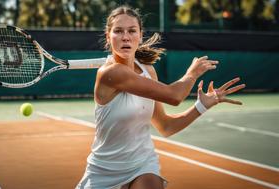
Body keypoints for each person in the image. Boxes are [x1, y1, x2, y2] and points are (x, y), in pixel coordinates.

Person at [76, 5, 245, 189]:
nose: (125, 36)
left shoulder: (148, 71)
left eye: (132, 31)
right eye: (118, 31)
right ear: (109, 37)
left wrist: (201, 106)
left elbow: (165, 126)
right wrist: (191, 74)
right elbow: (174, 96)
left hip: (142, 164)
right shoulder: (111, 73)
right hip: (103, 171)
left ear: (140, 36)